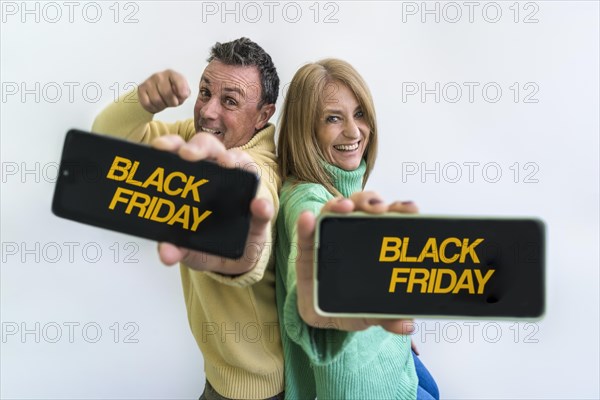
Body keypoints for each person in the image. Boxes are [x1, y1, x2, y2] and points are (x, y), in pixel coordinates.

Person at [92, 37, 284, 400]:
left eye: (230, 101)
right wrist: (141, 103)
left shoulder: (260, 170)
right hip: (220, 376)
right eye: (205, 92)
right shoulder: (192, 137)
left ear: (263, 114)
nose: (208, 112)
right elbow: (106, 145)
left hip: (256, 390)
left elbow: (251, 240)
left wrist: (241, 240)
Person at [275, 58, 440, 399]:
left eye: (360, 113)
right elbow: (312, 288)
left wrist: (388, 329)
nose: (354, 131)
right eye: (333, 118)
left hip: (398, 361)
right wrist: (320, 308)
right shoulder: (305, 200)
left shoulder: (346, 185)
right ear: (305, 130)